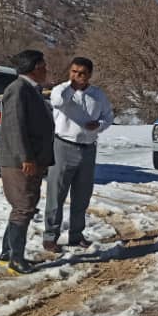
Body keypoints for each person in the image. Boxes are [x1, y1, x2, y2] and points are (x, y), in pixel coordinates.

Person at [43, 56, 114, 251]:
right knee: (56, 194)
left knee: (82, 195)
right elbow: (57, 102)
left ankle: (76, 234)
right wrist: (72, 87)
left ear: (89, 75)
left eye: (82, 73)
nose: (77, 76)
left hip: (88, 148)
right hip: (63, 145)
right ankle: (50, 236)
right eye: (74, 72)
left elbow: (108, 116)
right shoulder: (61, 90)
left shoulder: (97, 95)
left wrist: (98, 125)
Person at [0, 49, 55, 274]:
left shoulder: (31, 89)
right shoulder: (18, 89)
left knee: (22, 207)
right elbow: (14, 126)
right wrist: (26, 157)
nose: (46, 69)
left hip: (31, 159)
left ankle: (7, 253)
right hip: (20, 161)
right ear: (35, 67)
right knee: (23, 207)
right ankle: (16, 260)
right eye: (44, 65)